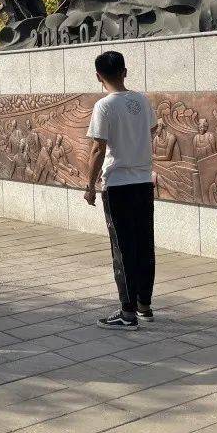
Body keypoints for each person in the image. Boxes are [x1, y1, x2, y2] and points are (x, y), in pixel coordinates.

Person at [84, 51, 156, 329]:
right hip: (142, 183)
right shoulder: (141, 99)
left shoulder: (104, 106)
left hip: (118, 185)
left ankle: (127, 313)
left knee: (123, 248)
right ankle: (144, 306)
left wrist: (90, 185)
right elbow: (151, 131)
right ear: (125, 72)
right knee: (144, 245)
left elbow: (97, 148)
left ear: (99, 77)